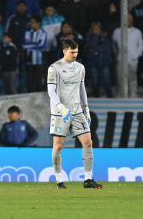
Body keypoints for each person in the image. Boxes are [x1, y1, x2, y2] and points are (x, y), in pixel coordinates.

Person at [47, 39, 103, 189]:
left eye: (77, 52)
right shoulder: (54, 68)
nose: (75, 55)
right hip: (60, 113)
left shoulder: (80, 67)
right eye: (72, 52)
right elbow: (51, 91)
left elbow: (82, 89)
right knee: (58, 146)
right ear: (64, 51)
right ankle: (59, 181)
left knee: (88, 142)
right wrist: (61, 108)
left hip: (77, 111)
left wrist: (86, 109)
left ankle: (88, 179)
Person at [112, 13, 143, 98]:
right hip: (120, 59)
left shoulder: (137, 32)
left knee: (132, 78)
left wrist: (136, 55)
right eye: (126, 19)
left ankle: (133, 94)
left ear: (132, 20)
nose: (128, 21)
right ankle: (120, 94)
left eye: (129, 19)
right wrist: (117, 55)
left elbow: (141, 45)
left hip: (132, 60)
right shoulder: (117, 31)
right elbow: (114, 45)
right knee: (119, 78)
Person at [85, 22, 112, 98]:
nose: (96, 30)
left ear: (100, 29)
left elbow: (107, 47)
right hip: (93, 63)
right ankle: (96, 97)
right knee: (94, 82)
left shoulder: (105, 37)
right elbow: (90, 46)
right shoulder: (89, 38)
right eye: (94, 28)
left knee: (107, 81)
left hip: (104, 62)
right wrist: (96, 37)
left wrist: (95, 50)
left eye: (98, 28)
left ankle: (110, 98)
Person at [23, 15, 48, 92]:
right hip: (29, 61)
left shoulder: (43, 33)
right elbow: (24, 45)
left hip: (39, 61)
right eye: (31, 22)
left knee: (39, 82)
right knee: (29, 82)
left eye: (33, 22)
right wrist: (36, 43)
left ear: (38, 23)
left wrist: (30, 44)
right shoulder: (27, 33)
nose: (31, 24)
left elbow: (41, 47)